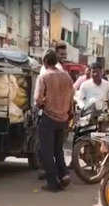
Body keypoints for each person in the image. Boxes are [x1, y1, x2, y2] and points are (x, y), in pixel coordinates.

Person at [34, 49, 75, 192]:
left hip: (49, 118)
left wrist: (43, 104)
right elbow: (72, 98)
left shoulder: (44, 77)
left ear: (45, 62)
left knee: (46, 151)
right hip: (63, 118)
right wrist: (68, 112)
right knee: (58, 150)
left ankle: (52, 182)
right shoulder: (67, 77)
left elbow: (38, 100)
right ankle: (64, 175)